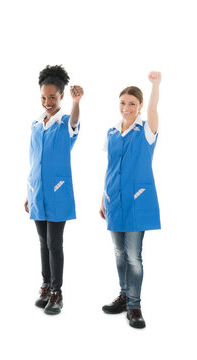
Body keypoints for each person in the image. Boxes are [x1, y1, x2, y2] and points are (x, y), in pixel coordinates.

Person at [99, 71, 161, 329]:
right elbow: (109, 167)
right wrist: (103, 197)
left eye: (132, 104)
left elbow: (155, 108)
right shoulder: (112, 131)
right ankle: (124, 295)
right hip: (113, 199)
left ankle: (134, 306)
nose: (127, 108)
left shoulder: (146, 131)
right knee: (118, 252)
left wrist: (155, 84)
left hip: (138, 200)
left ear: (140, 106)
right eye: (123, 103)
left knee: (134, 256)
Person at [24, 65, 83, 315]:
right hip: (37, 191)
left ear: (60, 96)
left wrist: (76, 102)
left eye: (52, 97)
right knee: (42, 242)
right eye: (43, 97)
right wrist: (28, 193)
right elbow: (33, 160)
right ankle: (46, 285)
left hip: (58, 193)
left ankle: (57, 293)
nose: (47, 102)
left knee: (54, 242)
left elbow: (75, 121)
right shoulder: (37, 124)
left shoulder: (65, 124)